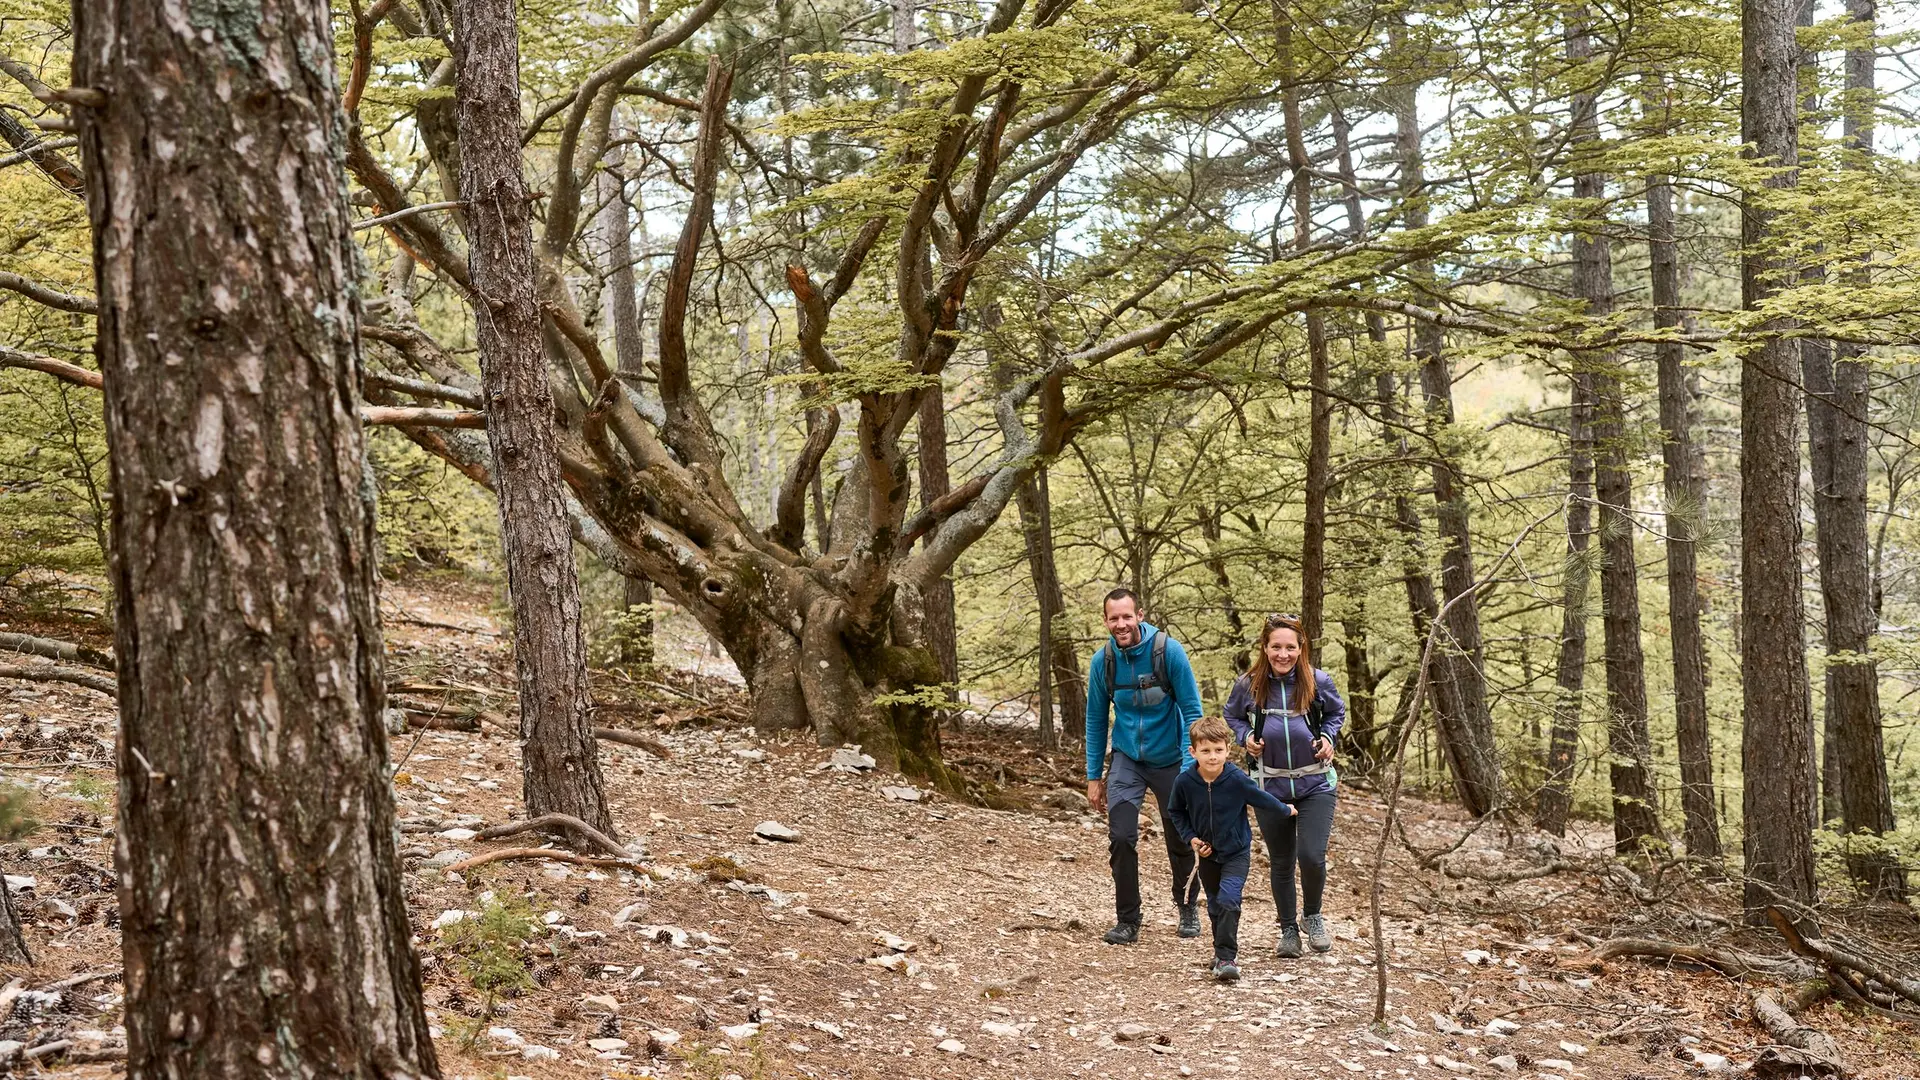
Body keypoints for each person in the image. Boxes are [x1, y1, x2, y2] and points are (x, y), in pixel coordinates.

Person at [1085, 587, 1205, 945]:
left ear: (1139, 615)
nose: (1120, 624)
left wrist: (1190, 765)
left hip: (1171, 759)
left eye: (1126, 616)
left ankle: (1187, 907)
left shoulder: (1169, 652)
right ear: (1105, 621)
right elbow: (1095, 719)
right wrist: (1094, 776)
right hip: (1127, 760)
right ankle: (1128, 919)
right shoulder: (1102, 662)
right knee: (1121, 836)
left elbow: (1192, 711)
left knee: (1181, 838)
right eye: (1113, 618)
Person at [1224, 613, 1346, 958]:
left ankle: (1313, 915)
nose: (1283, 654)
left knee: (1311, 855)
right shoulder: (1248, 684)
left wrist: (1327, 736)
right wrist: (1245, 736)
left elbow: (1337, 713)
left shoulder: (1318, 681)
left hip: (1316, 783)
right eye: (1276, 647)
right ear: (1264, 648)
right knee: (1281, 860)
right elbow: (1231, 715)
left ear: (1300, 648)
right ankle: (1288, 929)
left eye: (1290, 647)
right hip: (1268, 785)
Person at [1166, 716, 1295, 982]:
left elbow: (1262, 798)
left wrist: (1286, 810)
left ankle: (1227, 957)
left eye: (1218, 750)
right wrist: (1191, 838)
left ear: (1227, 749)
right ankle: (1219, 952)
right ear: (1193, 752)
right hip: (1208, 855)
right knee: (1214, 904)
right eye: (1205, 751)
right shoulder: (1185, 782)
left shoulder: (1236, 779)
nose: (1212, 757)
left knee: (1228, 899)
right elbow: (1175, 812)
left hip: (1236, 852)